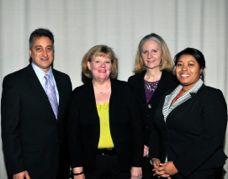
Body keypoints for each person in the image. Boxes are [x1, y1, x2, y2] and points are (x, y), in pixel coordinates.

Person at [1, 28, 72, 179]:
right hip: (30, 169)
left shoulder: (64, 80)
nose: (45, 54)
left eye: (49, 48)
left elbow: (66, 125)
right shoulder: (14, 82)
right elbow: (10, 130)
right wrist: (17, 168)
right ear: (30, 52)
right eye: (38, 49)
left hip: (62, 166)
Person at [149, 47, 227, 179]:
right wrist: (155, 157)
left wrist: (178, 166)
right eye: (180, 64)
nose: (184, 69)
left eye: (191, 64)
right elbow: (158, 129)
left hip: (200, 171)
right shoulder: (167, 95)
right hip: (165, 169)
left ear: (201, 69)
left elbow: (212, 139)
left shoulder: (212, 96)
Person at [68, 45, 143, 179]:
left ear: (112, 66)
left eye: (107, 62)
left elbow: (137, 129)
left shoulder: (126, 90)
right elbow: (73, 136)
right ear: (89, 65)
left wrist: (137, 164)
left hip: (123, 165)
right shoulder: (78, 95)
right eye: (97, 61)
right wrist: (77, 170)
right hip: (90, 166)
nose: (102, 66)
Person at [128, 33, 178, 178]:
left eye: (154, 51)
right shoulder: (132, 82)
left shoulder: (174, 82)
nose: (149, 55)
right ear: (141, 56)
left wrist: (154, 149)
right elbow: (130, 118)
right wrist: (138, 145)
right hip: (138, 153)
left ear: (163, 53)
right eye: (145, 51)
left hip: (166, 153)